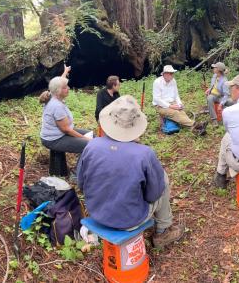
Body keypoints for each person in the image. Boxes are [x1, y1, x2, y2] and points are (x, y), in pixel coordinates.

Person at [77, 95, 185, 249]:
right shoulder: (144, 153)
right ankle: (163, 231)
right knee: (163, 179)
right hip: (129, 220)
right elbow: (153, 195)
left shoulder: (91, 146)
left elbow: (81, 183)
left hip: (97, 213)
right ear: (136, 126)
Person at [39, 65, 92, 154]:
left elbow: (58, 82)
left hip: (59, 133)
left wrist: (65, 72)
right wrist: (85, 138)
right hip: (54, 139)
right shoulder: (56, 106)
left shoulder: (52, 94)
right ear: (58, 91)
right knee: (90, 144)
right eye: (65, 87)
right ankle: (84, 166)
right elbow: (66, 130)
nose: (68, 88)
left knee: (91, 134)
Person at [153, 65, 205, 134]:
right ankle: (196, 124)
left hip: (172, 102)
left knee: (181, 111)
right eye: (170, 73)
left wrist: (179, 104)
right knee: (175, 113)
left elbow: (176, 95)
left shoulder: (173, 81)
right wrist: (170, 106)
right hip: (160, 106)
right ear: (164, 74)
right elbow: (157, 99)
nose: (172, 75)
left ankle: (195, 128)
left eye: (172, 73)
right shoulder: (157, 82)